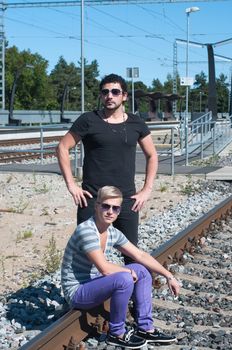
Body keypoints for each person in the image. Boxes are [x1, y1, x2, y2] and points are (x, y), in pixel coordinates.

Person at [61, 186, 180, 349]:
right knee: (125, 278)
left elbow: (140, 255)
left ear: (118, 211)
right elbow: (104, 268)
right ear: (96, 206)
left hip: (94, 282)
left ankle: (146, 328)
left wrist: (169, 276)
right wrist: (127, 271)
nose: (110, 211)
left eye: (115, 208)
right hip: (77, 291)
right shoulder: (87, 231)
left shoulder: (112, 232)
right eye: (106, 206)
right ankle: (116, 334)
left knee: (142, 270)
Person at [57, 73, 158, 252]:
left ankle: (133, 280)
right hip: (93, 199)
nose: (109, 96)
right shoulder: (88, 120)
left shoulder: (137, 123)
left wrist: (146, 190)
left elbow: (152, 155)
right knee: (87, 253)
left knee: (132, 254)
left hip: (126, 199)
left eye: (115, 91)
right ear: (101, 96)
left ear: (124, 96)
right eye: (105, 92)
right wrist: (71, 185)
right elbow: (62, 148)